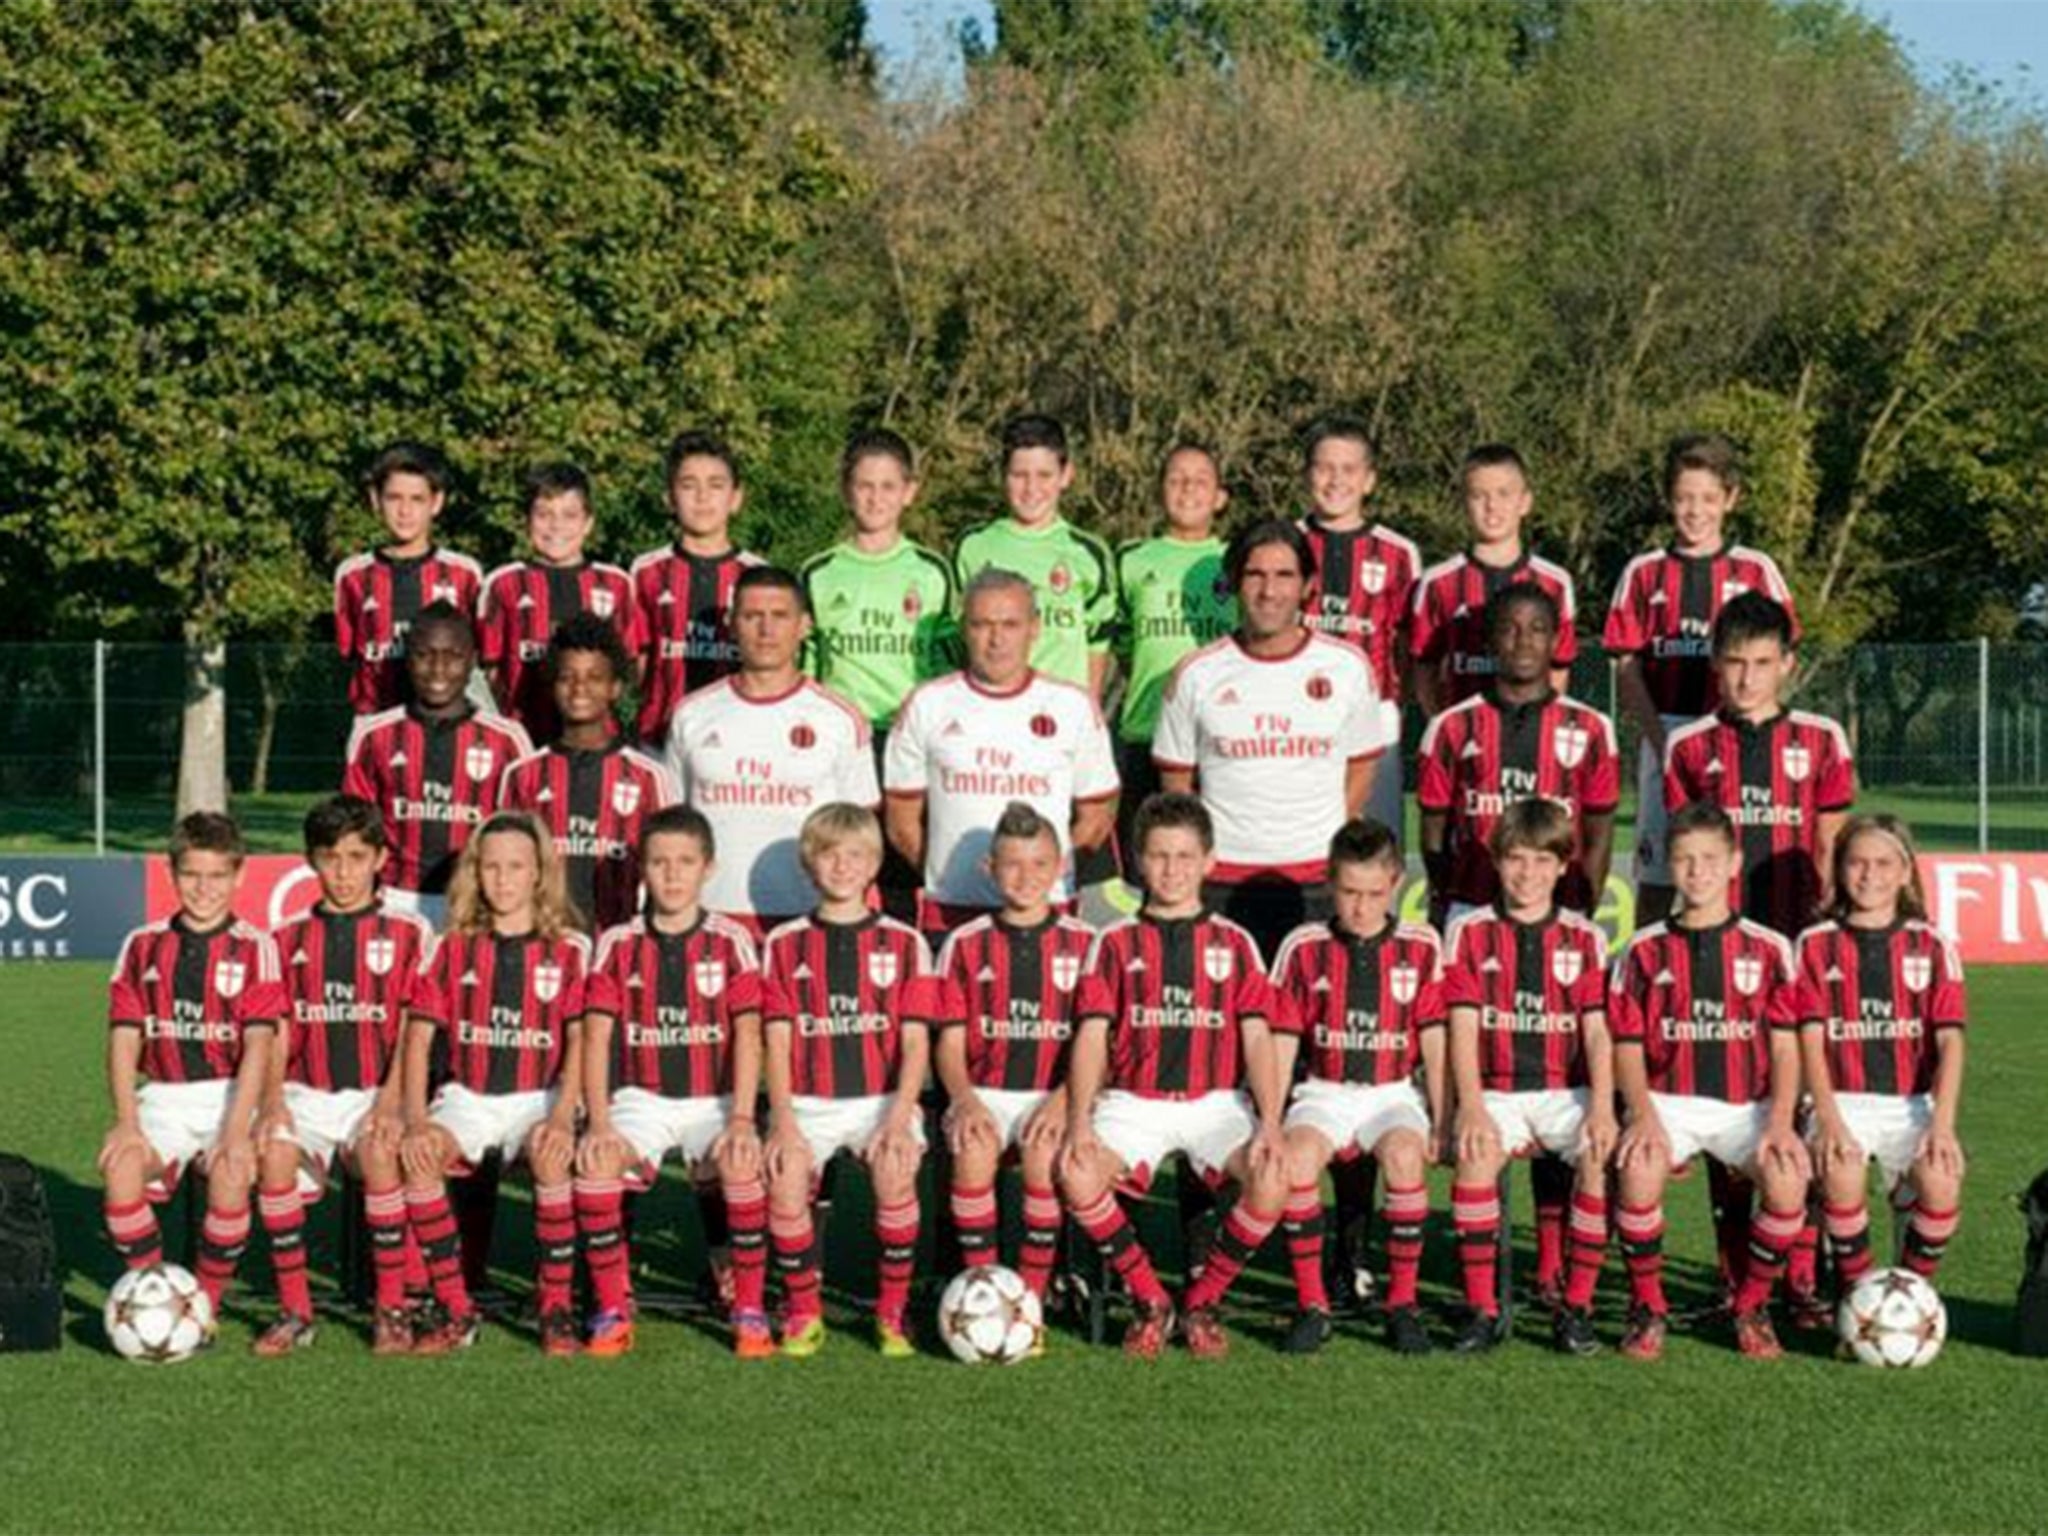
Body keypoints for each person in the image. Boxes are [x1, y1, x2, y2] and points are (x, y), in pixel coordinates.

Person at [1058, 793, 1289, 1360]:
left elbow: (1259, 1038)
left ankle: (1202, 1301)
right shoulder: (1112, 942)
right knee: (1075, 1171)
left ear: (1209, 861)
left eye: (1185, 857)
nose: (1172, 870)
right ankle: (1150, 1299)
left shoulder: (1236, 944)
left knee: (1274, 1177)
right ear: (1139, 861)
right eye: (1160, 856)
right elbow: (1090, 1038)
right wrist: (1078, 1120)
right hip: (1134, 1101)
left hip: (1215, 1102)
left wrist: (1271, 1122)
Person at [1609, 803, 1812, 1361]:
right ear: (1668, 866)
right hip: (1667, 1101)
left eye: (1708, 859)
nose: (1696, 872)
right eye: (1684, 860)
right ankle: (1648, 1305)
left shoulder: (1770, 948)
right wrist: (1643, 1113)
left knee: (1788, 1179)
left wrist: (1779, 1120)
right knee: (1639, 1168)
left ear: (1733, 863)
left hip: (1746, 1106)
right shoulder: (1642, 948)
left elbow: (1786, 1045)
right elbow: (1626, 1045)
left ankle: (1749, 1304)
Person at [575, 806, 771, 1357]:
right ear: (642, 868)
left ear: (708, 868)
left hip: (716, 1097)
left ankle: (749, 1309)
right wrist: (600, 1121)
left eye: (685, 862)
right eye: (659, 862)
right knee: (595, 1164)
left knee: (738, 1161)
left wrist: (740, 1118)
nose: (672, 874)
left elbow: (749, 1032)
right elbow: (595, 1038)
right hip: (644, 1098)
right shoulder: (617, 942)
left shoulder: (730, 940)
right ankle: (613, 1307)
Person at [397, 814, 590, 1355]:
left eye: (516, 867)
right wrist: (415, 1121)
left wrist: (561, 1115)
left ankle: (553, 1305)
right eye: (491, 867)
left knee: (551, 1157)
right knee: (420, 1156)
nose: (503, 880)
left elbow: (581, 1042)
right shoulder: (451, 946)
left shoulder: (572, 948)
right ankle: (456, 1308)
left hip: (542, 1095)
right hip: (470, 1096)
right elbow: (416, 1043)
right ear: (475, 874)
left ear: (539, 874)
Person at [1153, 519, 1389, 960]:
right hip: (1221, 881)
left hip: (1317, 883)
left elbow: (1361, 767)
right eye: (1255, 575)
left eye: (1284, 576)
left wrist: (1323, 840)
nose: (1269, 591)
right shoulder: (1196, 673)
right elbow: (1177, 783)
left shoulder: (1347, 667)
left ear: (1307, 586)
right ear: (1234, 583)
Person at [759, 804, 943, 1358]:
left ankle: (890, 1311)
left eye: (856, 855)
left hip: (880, 1100)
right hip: (808, 1101)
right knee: (786, 1175)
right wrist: (784, 1122)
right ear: (808, 863)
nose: (842, 866)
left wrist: (898, 1118)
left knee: (893, 1167)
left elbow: (915, 1045)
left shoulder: (906, 942)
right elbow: (778, 1042)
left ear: (875, 864)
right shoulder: (784, 944)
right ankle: (802, 1309)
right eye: (829, 854)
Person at [253, 796, 433, 1356]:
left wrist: (391, 1101)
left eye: (357, 856)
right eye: (331, 857)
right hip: (306, 1092)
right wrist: (273, 1100)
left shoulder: (410, 932)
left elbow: (410, 1028)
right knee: (274, 1156)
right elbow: (276, 1028)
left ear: (380, 858)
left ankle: (392, 1307)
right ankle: (296, 1310)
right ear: (311, 861)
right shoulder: (283, 939)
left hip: (376, 1094)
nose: (344, 871)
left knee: (380, 1154)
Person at [1442, 799, 1615, 1356]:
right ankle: (1482, 1308)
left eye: (1543, 861)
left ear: (1565, 865)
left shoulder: (1585, 937)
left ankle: (1577, 1307)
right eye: (1516, 859)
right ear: (1496, 862)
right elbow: (1462, 1030)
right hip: (1496, 1090)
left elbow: (1596, 1033)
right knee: (1475, 1154)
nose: (1528, 874)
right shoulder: (1468, 933)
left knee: (1595, 1154)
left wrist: (1603, 1106)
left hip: (1566, 1092)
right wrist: (1468, 1105)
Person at [1604, 432, 1798, 925]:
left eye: (1708, 499)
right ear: (1669, 499)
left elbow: (1780, 652)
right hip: (1665, 733)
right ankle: (1647, 979)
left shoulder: (1757, 569)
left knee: (1731, 869)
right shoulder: (1645, 573)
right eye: (1684, 498)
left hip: (1734, 739)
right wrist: (1661, 739)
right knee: (1659, 875)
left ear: (1730, 499)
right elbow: (1625, 666)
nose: (1695, 511)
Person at [1269, 818, 1445, 1356]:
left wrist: (1443, 1117)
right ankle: (1313, 1305)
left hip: (1392, 1092)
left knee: (1404, 1159)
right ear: (1329, 883)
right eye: (1348, 892)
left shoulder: (1421, 945)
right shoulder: (1303, 946)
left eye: (1373, 893)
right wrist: (1271, 1123)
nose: (1361, 907)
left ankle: (1402, 1303)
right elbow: (1280, 1041)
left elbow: (1435, 1040)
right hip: (1324, 1090)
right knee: (1296, 1162)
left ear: (1395, 883)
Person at [100, 813, 284, 1317]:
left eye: (217, 876)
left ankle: (204, 1301)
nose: (204, 889)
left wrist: (234, 1130)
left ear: (239, 876)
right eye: (192, 875)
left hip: (230, 1092)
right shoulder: (142, 944)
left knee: (229, 1172)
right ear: (171, 873)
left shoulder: (256, 947)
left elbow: (259, 1047)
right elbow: (122, 1038)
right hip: (164, 1093)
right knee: (120, 1169)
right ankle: (154, 1293)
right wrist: (127, 1122)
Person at [885, 568, 1118, 936]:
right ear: (964, 629)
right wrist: (945, 874)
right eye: (982, 625)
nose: (996, 640)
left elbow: (1096, 818)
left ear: (1035, 627)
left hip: (1047, 913)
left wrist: (1040, 880)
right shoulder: (927, 703)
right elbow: (901, 822)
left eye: (1010, 624)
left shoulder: (1071, 706)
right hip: (950, 912)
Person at [1794, 816, 1967, 1295]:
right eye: (1857, 863)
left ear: (1906, 871)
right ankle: (1858, 1296)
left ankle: (1908, 1293)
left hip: (1910, 1104)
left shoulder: (1932, 946)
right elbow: (1808, 1040)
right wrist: (1825, 1117)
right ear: (1840, 869)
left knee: (1942, 1180)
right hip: (1839, 1100)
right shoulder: (1813, 944)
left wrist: (1942, 1124)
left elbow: (1950, 1041)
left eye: (1884, 863)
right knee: (1843, 1168)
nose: (1870, 875)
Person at [934, 802, 1095, 1304]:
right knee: (973, 1149)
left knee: (1044, 1154)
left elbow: (1099, 1043)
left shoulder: (1088, 943)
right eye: (1012, 864)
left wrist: (1065, 1099)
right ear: (989, 869)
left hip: (1056, 1094)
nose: (1026, 877)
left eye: (1039, 864)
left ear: (1061, 868)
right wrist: (962, 1098)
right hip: (984, 1090)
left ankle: (1030, 1296)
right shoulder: (963, 943)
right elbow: (949, 1040)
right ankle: (986, 1290)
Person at [664, 567, 879, 937]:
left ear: (805, 625)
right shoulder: (692, 713)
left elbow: (857, 832)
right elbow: (674, 821)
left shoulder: (840, 719)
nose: (766, 630)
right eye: (752, 616)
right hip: (710, 923)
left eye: (780, 616)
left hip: (810, 923)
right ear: (732, 623)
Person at [800, 429, 957, 918]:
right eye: (865, 485)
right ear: (847, 489)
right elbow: (805, 668)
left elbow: (951, 663)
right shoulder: (819, 571)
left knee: (904, 856)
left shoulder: (932, 570)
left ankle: (906, 948)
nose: (875, 498)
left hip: (908, 738)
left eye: (888, 486)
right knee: (840, 854)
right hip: (845, 737)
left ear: (909, 491)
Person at [1417, 582, 1618, 927]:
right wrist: (1445, 898)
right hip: (1470, 907)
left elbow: (1599, 832)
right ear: (1489, 642)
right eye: (1509, 629)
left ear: (1556, 642)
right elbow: (1433, 832)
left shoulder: (1592, 727)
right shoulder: (1450, 726)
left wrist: (1582, 909)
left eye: (1537, 629)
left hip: (1561, 911)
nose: (1523, 641)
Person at [1664, 592, 1853, 936]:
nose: (1747, 679)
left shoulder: (1823, 738)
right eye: (1736, 662)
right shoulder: (1686, 745)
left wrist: (1828, 916)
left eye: (1762, 663)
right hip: (1719, 927)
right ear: (1715, 661)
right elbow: (1686, 843)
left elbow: (1831, 840)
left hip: (1801, 924)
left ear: (1786, 663)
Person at [341, 602, 533, 918]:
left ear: (472, 661)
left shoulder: (508, 739)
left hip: (475, 903)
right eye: (423, 655)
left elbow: (521, 833)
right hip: (394, 900)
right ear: (407, 659)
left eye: (453, 657)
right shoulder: (374, 735)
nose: (438, 669)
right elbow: (354, 827)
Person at [497, 614, 678, 932]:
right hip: (544, 945)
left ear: (615, 688)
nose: (580, 688)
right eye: (567, 677)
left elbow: (665, 866)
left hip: (618, 944)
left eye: (594, 677)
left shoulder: (648, 776)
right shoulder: (522, 774)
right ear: (553, 685)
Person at [1294, 414, 1421, 835]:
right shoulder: (1284, 542)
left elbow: (1408, 641)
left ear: (1369, 480)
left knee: (1375, 841)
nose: (1336, 480)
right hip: (1295, 710)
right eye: (1325, 467)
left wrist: (1394, 705)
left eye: (1349, 470)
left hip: (1373, 714)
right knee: (1302, 832)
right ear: (1308, 474)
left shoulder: (1399, 553)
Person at [1110, 444, 1236, 868]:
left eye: (1200, 481)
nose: (1187, 490)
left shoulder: (1235, 562)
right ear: (1161, 490)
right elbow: (1123, 648)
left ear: (1220, 496)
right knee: (1148, 871)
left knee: (1214, 867)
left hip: (1219, 740)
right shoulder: (1129, 559)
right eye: (1176, 479)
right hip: (1146, 733)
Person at [477, 461, 642, 746]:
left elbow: (631, 665)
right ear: (526, 519)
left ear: (588, 522)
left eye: (569, 515)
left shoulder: (616, 584)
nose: (556, 526)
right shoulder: (502, 584)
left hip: (598, 743)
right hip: (523, 740)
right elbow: (490, 671)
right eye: (544, 514)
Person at [953, 413, 1116, 701]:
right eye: (1019, 476)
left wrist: (1088, 711)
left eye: (1044, 476)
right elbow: (957, 638)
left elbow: (1098, 642)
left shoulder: (1088, 553)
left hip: (1060, 717)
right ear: (1003, 475)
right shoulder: (974, 546)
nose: (1031, 489)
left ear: (1066, 476)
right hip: (990, 711)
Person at [1410, 445, 1578, 715]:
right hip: (1463, 740)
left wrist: (1541, 723)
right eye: (1479, 495)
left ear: (1525, 502)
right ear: (1464, 502)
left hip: (1529, 736)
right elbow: (1424, 668)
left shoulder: (1554, 581)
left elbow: (1559, 665)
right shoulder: (1437, 582)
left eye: (1503, 494)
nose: (1491, 506)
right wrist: (1443, 725)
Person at [632, 429, 765, 748]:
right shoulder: (646, 572)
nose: (702, 497)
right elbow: (637, 662)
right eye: (689, 485)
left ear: (735, 498)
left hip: (740, 741)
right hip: (659, 738)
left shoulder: (758, 574)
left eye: (715, 486)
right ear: (669, 497)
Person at [335, 441, 483, 716]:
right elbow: (350, 655)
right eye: (394, 498)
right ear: (375, 499)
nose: (405, 511)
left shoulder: (464, 574)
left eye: (417, 499)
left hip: (445, 723)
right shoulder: (352, 575)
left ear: (436, 502)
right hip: (373, 721)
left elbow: (476, 659)